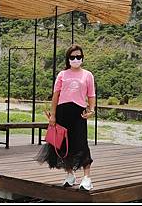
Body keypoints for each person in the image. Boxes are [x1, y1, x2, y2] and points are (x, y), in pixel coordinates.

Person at [34, 44, 96, 191]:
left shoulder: (88, 75)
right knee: (63, 146)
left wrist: (91, 110)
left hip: (79, 114)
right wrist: (53, 116)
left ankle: (87, 178)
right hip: (62, 113)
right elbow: (55, 96)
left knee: (81, 144)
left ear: (82, 58)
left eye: (78, 57)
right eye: (72, 57)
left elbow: (91, 95)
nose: (76, 59)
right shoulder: (62, 75)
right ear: (68, 59)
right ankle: (70, 174)